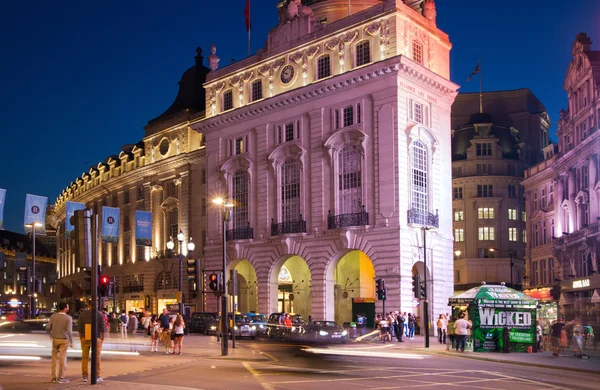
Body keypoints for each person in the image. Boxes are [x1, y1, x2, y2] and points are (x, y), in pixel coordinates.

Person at [46, 302, 74, 384]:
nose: (68, 308)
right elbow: (69, 331)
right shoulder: (68, 318)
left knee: (54, 359)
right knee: (62, 358)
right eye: (68, 307)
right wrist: (71, 341)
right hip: (64, 340)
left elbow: (48, 327)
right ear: (65, 308)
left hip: (55, 339)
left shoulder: (53, 316)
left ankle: (53, 377)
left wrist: (50, 336)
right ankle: (60, 377)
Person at [78, 305, 105, 383]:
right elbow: (102, 327)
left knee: (85, 357)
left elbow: (79, 327)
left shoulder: (82, 314)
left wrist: (81, 337)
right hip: (97, 337)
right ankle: (97, 375)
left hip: (85, 337)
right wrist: (102, 337)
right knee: (97, 357)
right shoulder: (99, 314)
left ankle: (85, 376)